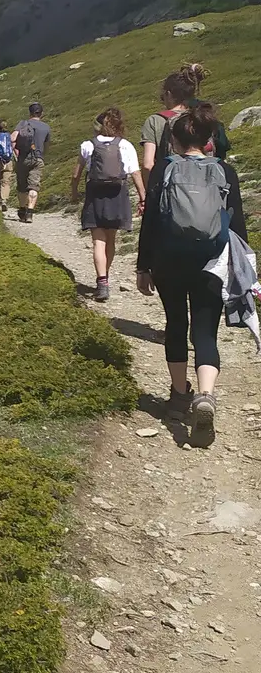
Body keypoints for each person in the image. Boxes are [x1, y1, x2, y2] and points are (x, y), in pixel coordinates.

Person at [136, 103, 248, 446]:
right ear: (207, 138)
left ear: (175, 139)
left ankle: (178, 397)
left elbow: (151, 220)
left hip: (169, 260)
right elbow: (238, 223)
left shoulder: (164, 169)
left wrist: (143, 265)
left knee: (175, 324)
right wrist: (243, 267)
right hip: (211, 261)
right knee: (205, 329)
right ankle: (205, 396)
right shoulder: (224, 171)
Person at [70, 108, 146, 302]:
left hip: (95, 194)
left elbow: (76, 173)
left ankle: (101, 282)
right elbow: (135, 173)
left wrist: (74, 191)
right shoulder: (125, 145)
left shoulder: (88, 145)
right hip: (117, 194)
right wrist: (142, 197)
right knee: (111, 239)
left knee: (98, 241)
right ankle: (106, 278)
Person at [139, 63, 230, 195]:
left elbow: (148, 165)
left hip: (174, 192)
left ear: (169, 94)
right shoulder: (201, 117)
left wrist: (152, 195)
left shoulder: (155, 120)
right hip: (208, 189)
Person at [13, 102, 51, 223]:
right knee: (34, 186)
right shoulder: (46, 127)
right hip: (38, 159)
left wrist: (15, 152)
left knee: (21, 186)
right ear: (41, 113)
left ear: (30, 113)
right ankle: (30, 212)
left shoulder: (23, 123)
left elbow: (12, 138)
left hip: (23, 158)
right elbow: (47, 145)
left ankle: (22, 209)